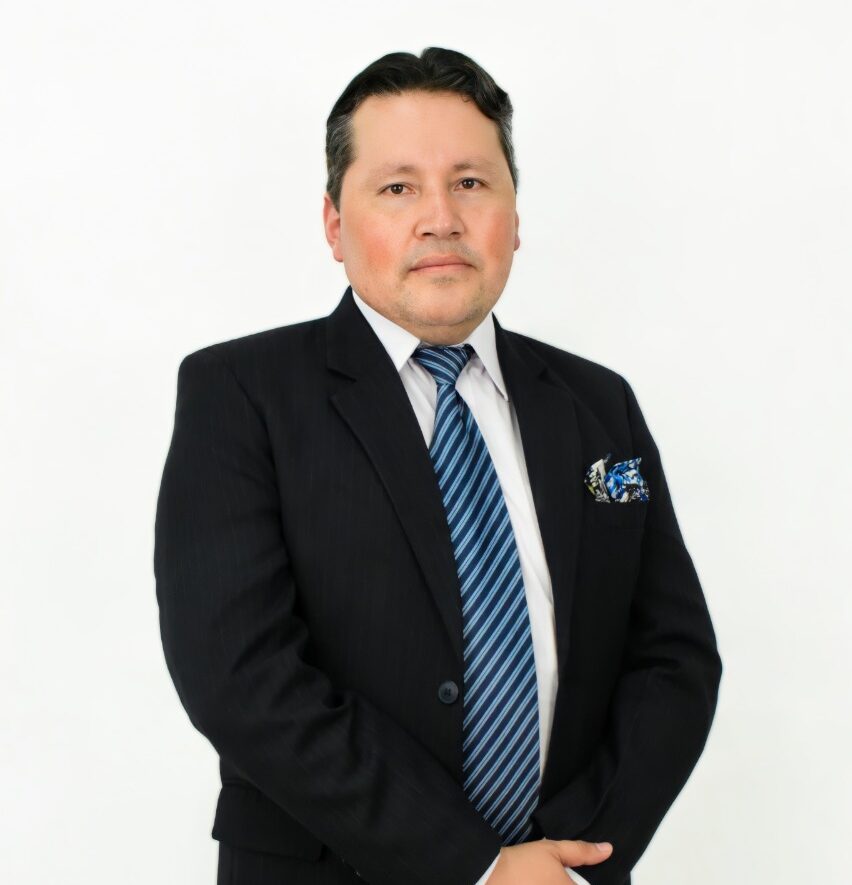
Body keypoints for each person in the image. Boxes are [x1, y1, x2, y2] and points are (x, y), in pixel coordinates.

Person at [154, 46, 722, 885]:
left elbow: (674, 658)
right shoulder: (241, 394)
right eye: (397, 188)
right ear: (334, 224)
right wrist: (481, 868)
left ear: (515, 216)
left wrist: (567, 862)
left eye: (471, 182)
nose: (441, 218)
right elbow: (240, 678)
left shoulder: (599, 404)